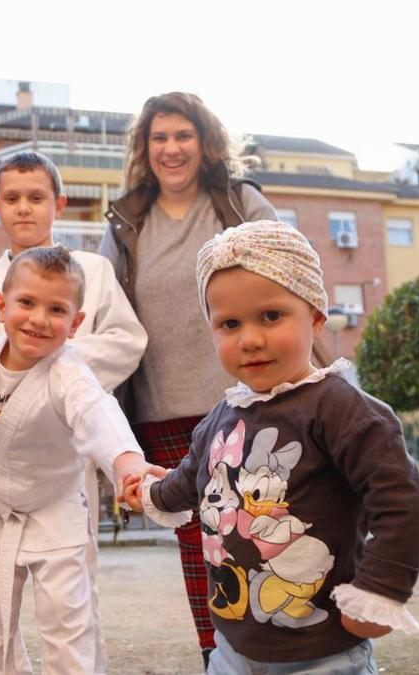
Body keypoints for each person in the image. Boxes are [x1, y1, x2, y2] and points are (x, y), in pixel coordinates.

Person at [121, 221, 419, 674]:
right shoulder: (221, 418)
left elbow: (402, 501)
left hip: (324, 653)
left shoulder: (342, 409)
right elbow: (190, 480)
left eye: (270, 316)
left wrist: (379, 592)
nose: (249, 338)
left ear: (316, 316)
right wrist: (150, 491)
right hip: (231, 648)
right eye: (229, 324)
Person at [0, 150, 147, 672]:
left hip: (63, 450)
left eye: (36, 197)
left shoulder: (95, 272)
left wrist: (47, 368)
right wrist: (2, 366)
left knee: (72, 594)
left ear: (57, 203)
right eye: (11, 199)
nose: (24, 209)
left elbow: (126, 341)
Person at [99, 91, 278, 665]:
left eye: (182, 135)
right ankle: (216, 658)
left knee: (260, 531)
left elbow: (290, 271)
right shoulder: (127, 218)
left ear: (205, 143)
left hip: (248, 400)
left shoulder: (238, 201)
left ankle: (274, 652)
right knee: (195, 541)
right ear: (144, 148)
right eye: (159, 138)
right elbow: (105, 308)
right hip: (161, 408)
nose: (171, 148)